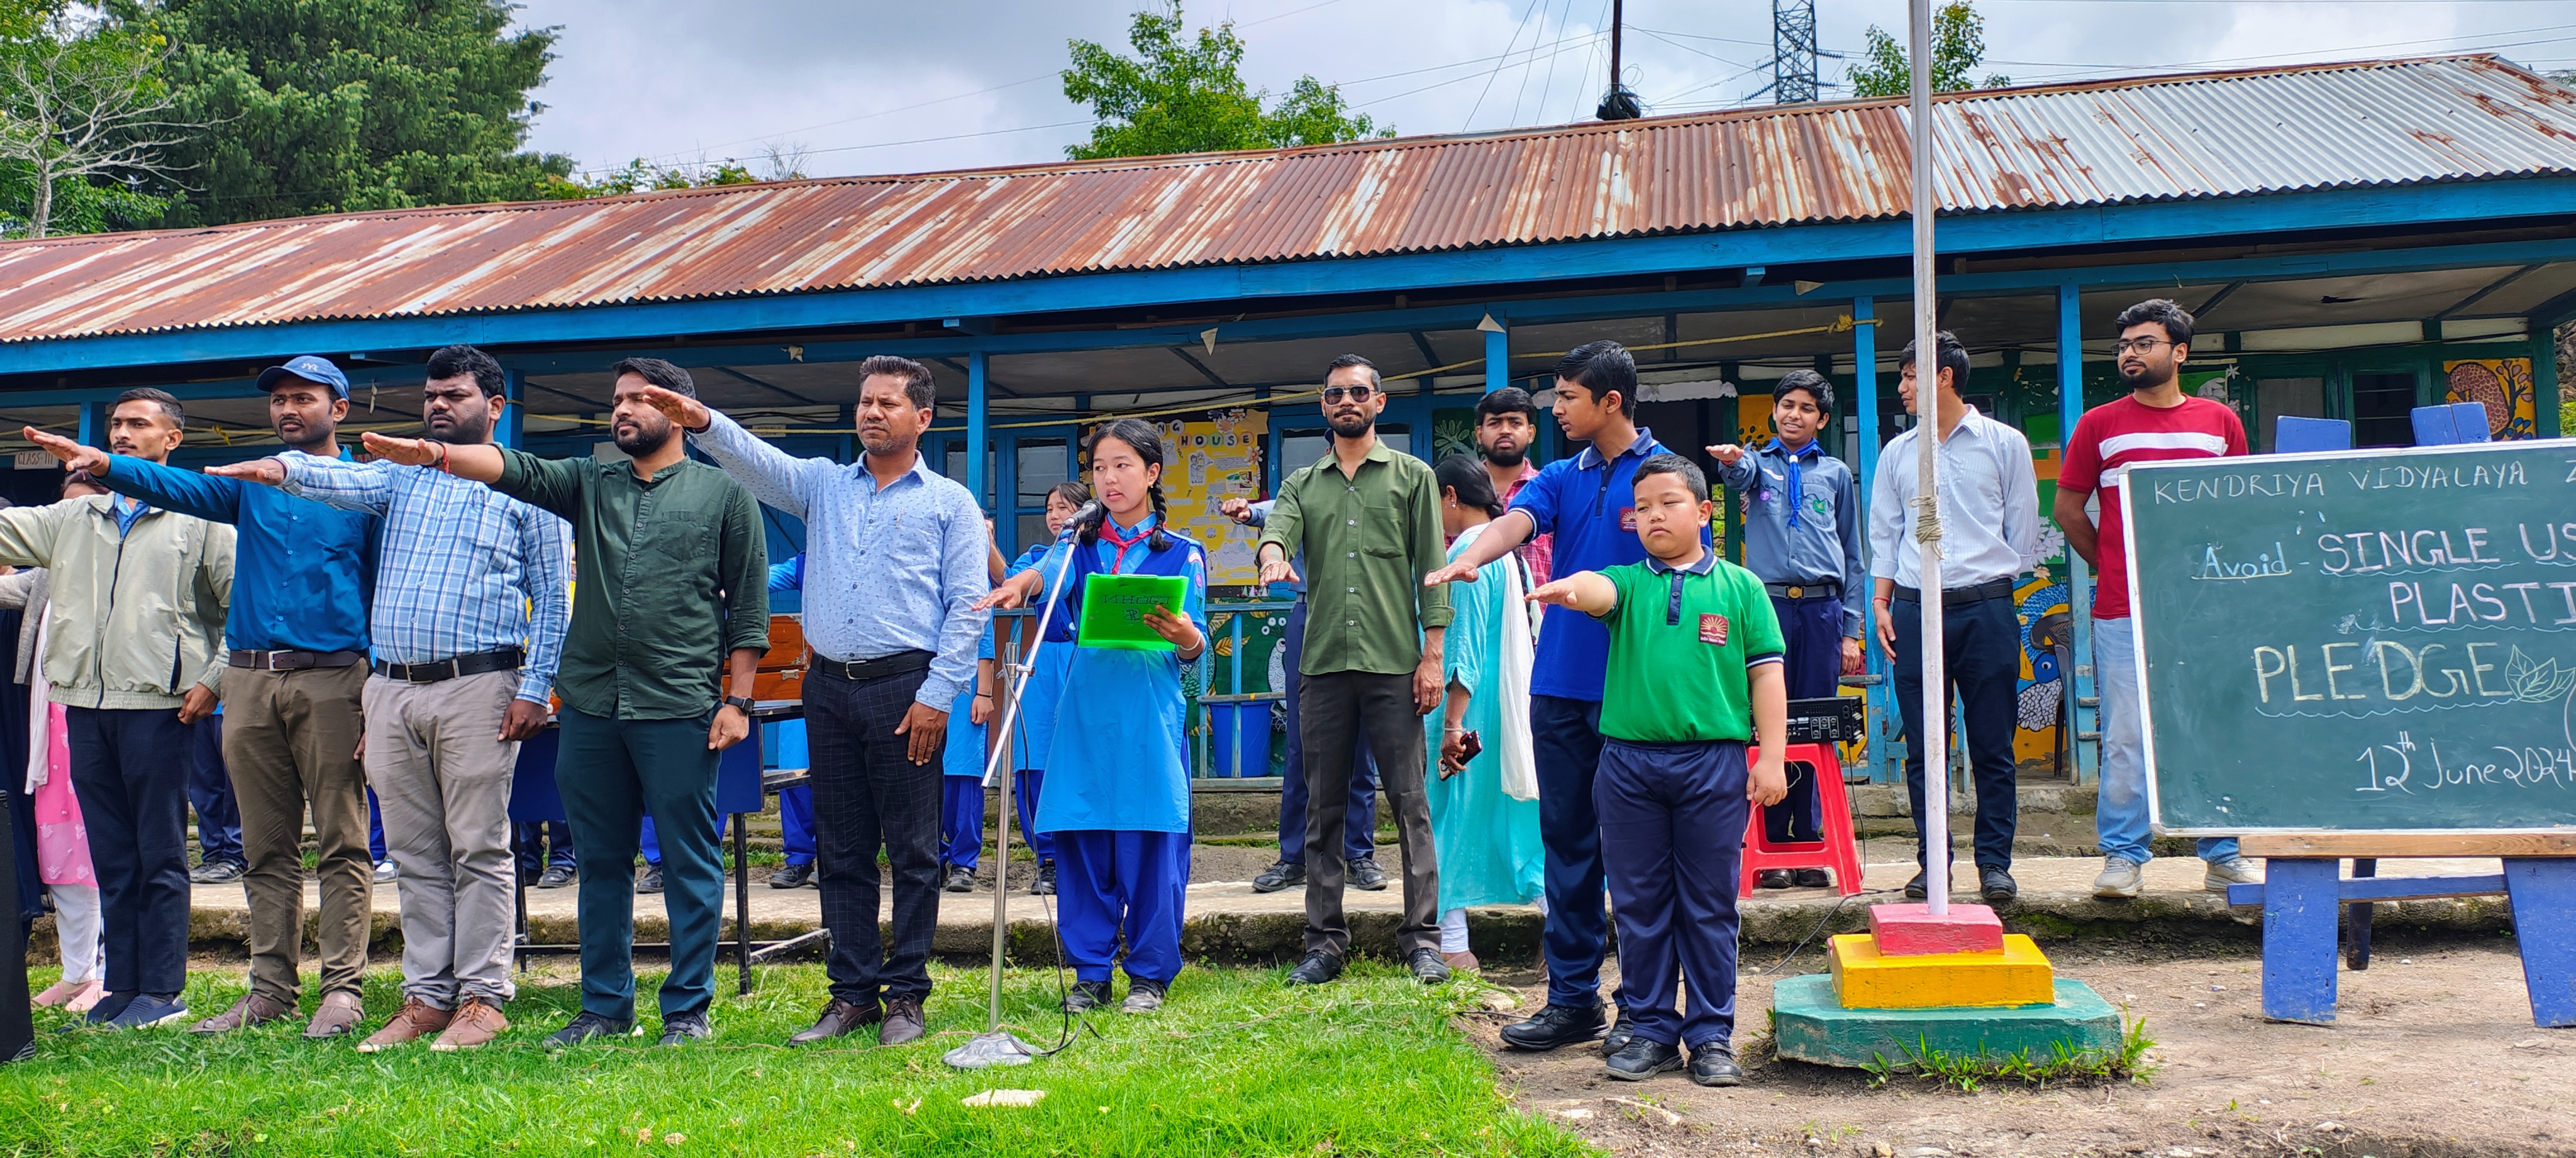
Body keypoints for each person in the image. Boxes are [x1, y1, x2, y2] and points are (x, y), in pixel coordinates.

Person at [350, 358, 767, 1049]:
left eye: (639, 399)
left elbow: (749, 608)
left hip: (679, 705)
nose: (623, 410)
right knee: (601, 862)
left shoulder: (723, 496)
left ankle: (687, 1010)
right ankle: (604, 1006)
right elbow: (513, 470)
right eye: (617, 400)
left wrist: (740, 701)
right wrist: (430, 454)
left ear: (681, 412)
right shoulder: (587, 482)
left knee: (690, 861)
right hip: (594, 707)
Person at [208, 345, 572, 1052]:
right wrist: (278, 468)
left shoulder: (530, 485)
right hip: (391, 690)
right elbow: (333, 480)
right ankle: (427, 997)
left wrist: (535, 687)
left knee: (479, 847)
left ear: (495, 407)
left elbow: (554, 600)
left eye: (456, 395)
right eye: (433, 396)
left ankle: (484, 998)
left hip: (480, 685)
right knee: (413, 853)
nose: (439, 406)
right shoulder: (399, 479)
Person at [638, 355, 989, 1049]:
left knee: (915, 851)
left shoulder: (950, 503)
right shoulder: (826, 485)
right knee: (843, 848)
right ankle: (851, 993)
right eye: (864, 401)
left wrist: (937, 695)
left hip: (906, 689)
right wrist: (703, 421)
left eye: (888, 403)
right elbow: (759, 463)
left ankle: (907, 997)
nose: (871, 413)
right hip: (828, 688)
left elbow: (966, 609)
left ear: (922, 418)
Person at [28, 356, 384, 1040]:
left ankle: (342, 991)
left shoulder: (370, 489)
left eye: (303, 398)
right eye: (279, 399)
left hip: (336, 676)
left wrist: (380, 688)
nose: (287, 409)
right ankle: (270, 990)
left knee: (341, 841)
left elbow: (385, 588)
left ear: (338, 409)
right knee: (263, 846)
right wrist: (103, 465)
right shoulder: (246, 487)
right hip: (250, 681)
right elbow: (173, 486)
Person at [1426, 341, 1690, 1054]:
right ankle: (1573, 1001)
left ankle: (1643, 1009)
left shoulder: (1664, 474)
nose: (1556, 410)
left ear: (1610, 402)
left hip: (1638, 692)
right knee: (1567, 850)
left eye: (1568, 398)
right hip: (1559, 687)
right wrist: (1470, 557)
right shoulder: (1562, 476)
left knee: (1639, 859)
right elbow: (1517, 521)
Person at [1525, 453, 1788, 1087]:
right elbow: (1598, 590)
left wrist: (1772, 756)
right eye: (1640, 509)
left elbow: (1767, 674)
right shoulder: (1630, 582)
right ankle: (1648, 1031)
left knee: (1708, 905)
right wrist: (1570, 589)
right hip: (1627, 766)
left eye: (1667, 503)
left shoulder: (1740, 588)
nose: (1652, 517)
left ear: (1702, 511)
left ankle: (1711, 1036)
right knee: (1639, 905)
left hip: (1713, 763)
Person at [0, 390, 234, 1031]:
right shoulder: (74, 518)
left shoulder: (200, 518)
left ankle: (163, 991)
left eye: (137, 424)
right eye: (116, 425)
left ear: (172, 440)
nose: (123, 434)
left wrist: (213, 679)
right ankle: (121, 987)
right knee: (112, 854)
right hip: (83, 703)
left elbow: (241, 604)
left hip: (164, 707)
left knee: (159, 853)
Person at [1255, 353, 1452, 988]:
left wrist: (1432, 657)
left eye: (1359, 392)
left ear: (1378, 403)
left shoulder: (1411, 476)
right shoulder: (1301, 484)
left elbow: (1432, 569)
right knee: (1324, 808)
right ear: (1323, 405)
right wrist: (1270, 558)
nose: (1347, 401)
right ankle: (1323, 943)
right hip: (1323, 667)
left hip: (1396, 664)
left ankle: (1421, 940)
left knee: (1410, 804)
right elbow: (1277, 533)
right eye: (1336, 392)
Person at [2057, 299, 2258, 900]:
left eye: (2145, 343)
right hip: (2123, 609)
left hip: (2207, 612)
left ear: (2180, 352)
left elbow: (2238, 509)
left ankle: (2222, 853)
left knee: (2211, 728)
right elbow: (2068, 510)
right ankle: (2123, 857)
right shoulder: (2099, 425)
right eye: (2124, 345)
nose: (2130, 353)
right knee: (2124, 736)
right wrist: (2116, 567)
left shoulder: (2220, 423)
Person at [1024, 420, 1208, 1014]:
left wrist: (1187, 638)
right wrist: (1018, 584)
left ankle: (1150, 975)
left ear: (1152, 474)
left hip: (1147, 720)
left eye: (1123, 465)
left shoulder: (1183, 554)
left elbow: (1195, 656)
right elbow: (1042, 579)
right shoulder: (1076, 545)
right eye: (1100, 467)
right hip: (1083, 718)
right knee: (1081, 843)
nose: (1109, 478)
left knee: (1152, 845)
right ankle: (1090, 973)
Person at [1867, 330, 2040, 903]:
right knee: (1923, 746)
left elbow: (2023, 528)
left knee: (1993, 743)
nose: (1903, 387)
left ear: (1944, 376)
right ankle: (1932, 863)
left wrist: (1992, 587)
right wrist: (1881, 602)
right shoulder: (1898, 453)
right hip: (1916, 609)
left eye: (1911, 375)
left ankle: (1996, 863)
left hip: (1987, 606)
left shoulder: (2004, 443)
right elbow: (1885, 535)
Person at [1706, 369, 1868, 888]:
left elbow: (1854, 556)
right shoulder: (1759, 466)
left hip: (1822, 610)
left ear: (1822, 418)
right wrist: (1734, 460)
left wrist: (1850, 631)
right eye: (1785, 406)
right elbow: (1738, 475)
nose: (1793, 415)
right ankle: (1772, 843)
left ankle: (1807, 841)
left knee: (1814, 724)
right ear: (1773, 412)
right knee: (1767, 723)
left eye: (1805, 408)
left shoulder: (1838, 474)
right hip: (1769, 607)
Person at [1217, 495, 1383, 895]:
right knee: (1302, 741)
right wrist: (1249, 512)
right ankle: (1294, 857)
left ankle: (1358, 854)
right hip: (1311, 613)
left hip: (1369, 615)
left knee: (1361, 743)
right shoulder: (1310, 485)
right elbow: (1275, 511)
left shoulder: (1385, 483)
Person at [1422, 456, 1545, 973]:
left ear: (1449, 497)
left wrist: (1452, 725)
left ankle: (1454, 943)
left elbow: (1463, 649)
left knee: (1447, 818)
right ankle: (1558, 932)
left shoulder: (1466, 556)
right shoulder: (1505, 553)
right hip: (1504, 710)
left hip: (1466, 711)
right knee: (1519, 822)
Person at [7, 473, 107, 1014]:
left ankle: (115, 976)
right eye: (61, 511)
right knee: (62, 851)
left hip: (109, 715)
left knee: (108, 848)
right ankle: (77, 974)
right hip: (50, 724)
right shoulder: (48, 572)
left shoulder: (131, 568)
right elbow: (9, 588)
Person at [1473, 387, 1553, 585]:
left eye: (1515, 423)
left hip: (1540, 612)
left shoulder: (1552, 491)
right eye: (1495, 423)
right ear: (1479, 434)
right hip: (1479, 614)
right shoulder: (1459, 492)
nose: (1505, 430)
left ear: (1531, 433)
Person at [184, 719, 244, 885]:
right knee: (204, 784)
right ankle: (214, 854)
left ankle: (237, 854)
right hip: (195, 706)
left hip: (230, 706)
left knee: (235, 781)